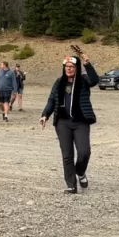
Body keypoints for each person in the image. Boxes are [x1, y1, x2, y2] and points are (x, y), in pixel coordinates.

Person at [39, 51, 99, 193]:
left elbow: (95, 80)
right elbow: (51, 100)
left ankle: (80, 172)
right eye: (67, 66)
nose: (69, 68)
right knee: (67, 155)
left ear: (77, 68)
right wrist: (45, 115)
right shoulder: (59, 83)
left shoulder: (84, 81)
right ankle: (71, 185)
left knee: (84, 152)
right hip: (63, 122)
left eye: (72, 66)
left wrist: (87, 64)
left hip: (81, 122)